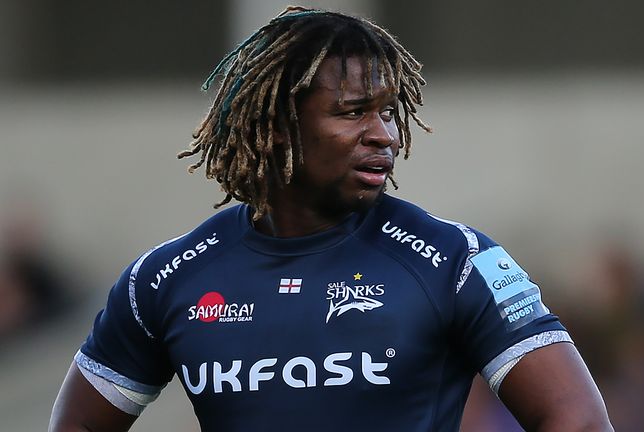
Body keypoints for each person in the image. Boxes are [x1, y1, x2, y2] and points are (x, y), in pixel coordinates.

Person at [50, 6, 613, 432]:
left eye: (388, 112)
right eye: (352, 112)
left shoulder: (454, 261)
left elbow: (578, 421)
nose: (384, 134)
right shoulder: (169, 278)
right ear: (277, 126)